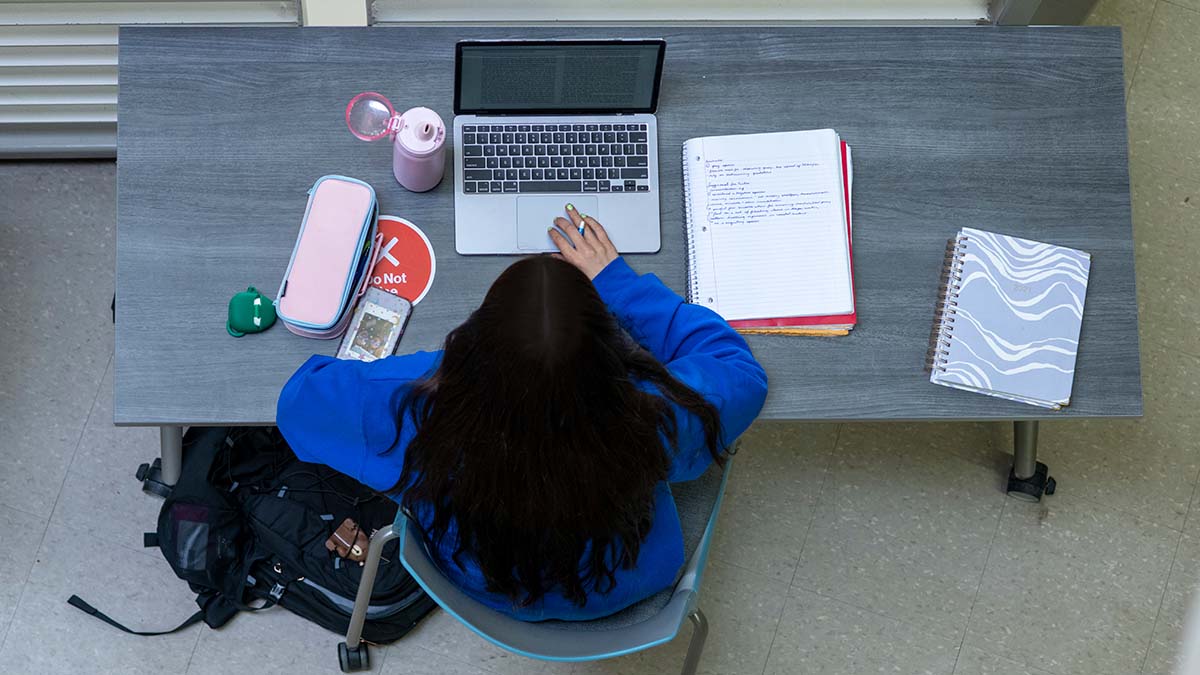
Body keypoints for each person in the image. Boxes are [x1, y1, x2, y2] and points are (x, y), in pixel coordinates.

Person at [277, 205, 767, 621]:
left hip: (481, 582)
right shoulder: (656, 415)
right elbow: (739, 369)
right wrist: (617, 284)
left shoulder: (411, 410)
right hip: (621, 578)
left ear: (471, 341)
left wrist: (436, 368)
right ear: (615, 352)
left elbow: (297, 403)